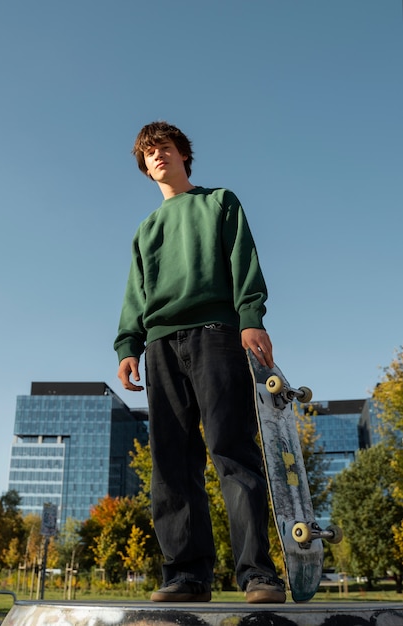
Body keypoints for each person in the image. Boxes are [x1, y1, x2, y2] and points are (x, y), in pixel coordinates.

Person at [114, 121, 286, 604]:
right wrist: (128, 345)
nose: (158, 156)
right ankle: (186, 575)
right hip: (160, 345)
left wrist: (250, 317)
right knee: (170, 461)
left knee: (231, 449)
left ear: (183, 155)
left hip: (217, 334)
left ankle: (257, 574)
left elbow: (242, 259)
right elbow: (135, 294)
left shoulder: (220, 201)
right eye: (149, 154)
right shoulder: (146, 229)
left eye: (165, 148)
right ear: (145, 168)